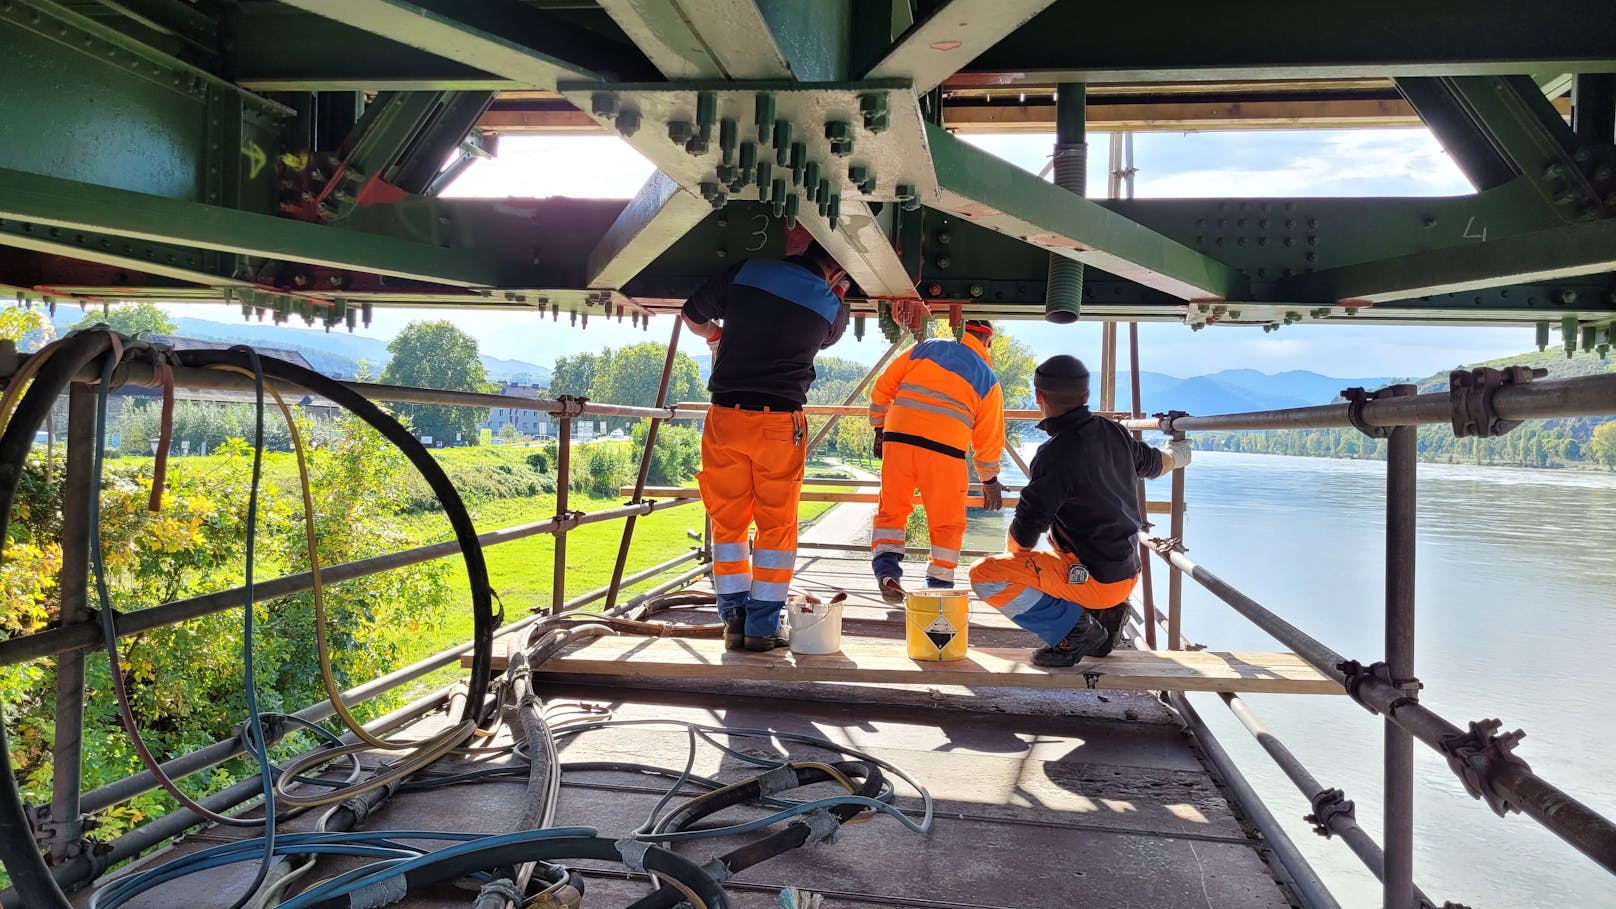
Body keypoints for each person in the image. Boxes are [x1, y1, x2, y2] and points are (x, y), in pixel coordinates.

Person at [967, 355, 1190, 667]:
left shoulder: (1054, 456)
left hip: (1094, 582)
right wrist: (1177, 454)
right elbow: (1154, 463)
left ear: (1038, 397)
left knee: (985, 575)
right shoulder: (1113, 432)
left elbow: (1025, 532)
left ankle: (1074, 631)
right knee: (1060, 551)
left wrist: (1013, 563)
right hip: (1127, 573)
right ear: (1086, 397)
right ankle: (1107, 617)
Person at [681, 240, 850, 652]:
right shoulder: (833, 305)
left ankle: (733, 618)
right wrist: (837, 295)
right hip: (779, 423)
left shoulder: (748, 269)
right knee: (776, 526)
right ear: (838, 274)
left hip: (726, 418)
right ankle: (762, 626)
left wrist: (717, 336)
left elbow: (691, 315)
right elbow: (827, 337)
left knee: (728, 522)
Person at [867, 320, 1005, 602]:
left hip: (899, 441)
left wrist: (879, 428)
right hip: (945, 452)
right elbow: (988, 438)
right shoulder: (987, 379)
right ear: (987, 342)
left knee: (891, 511)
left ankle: (886, 571)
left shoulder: (924, 349)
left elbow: (883, 387)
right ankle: (938, 589)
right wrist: (989, 480)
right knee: (947, 523)